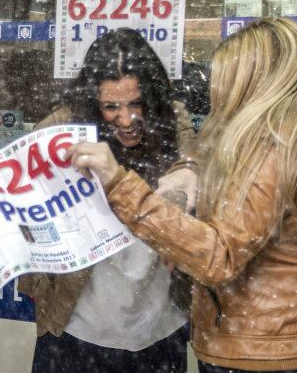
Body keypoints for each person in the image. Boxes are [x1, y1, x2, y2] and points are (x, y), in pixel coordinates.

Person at [68, 18, 297, 372]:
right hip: (293, 344)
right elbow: (213, 145)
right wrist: (190, 167)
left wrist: (118, 183)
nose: (219, 96)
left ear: (259, 81)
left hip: (258, 352)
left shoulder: (279, 145)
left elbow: (218, 257)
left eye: (226, 81)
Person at [18, 28, 194, 373]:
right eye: (111, 107)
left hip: (158, 325)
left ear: (153, 97)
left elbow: (188, 177)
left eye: (135, 104)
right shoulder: (65, 125)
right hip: (77, 323)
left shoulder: (173, 122)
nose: (126, 120)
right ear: (93, 104)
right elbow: (19, 188)